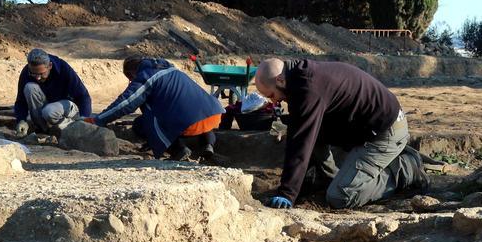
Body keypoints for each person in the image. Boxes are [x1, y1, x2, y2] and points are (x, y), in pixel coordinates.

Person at [254, 58, 427, 210]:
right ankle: (328, 179)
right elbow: (300, 130)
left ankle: (405, 169)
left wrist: (287, 193)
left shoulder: (308, 88)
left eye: (272, 95)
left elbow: (300, 143)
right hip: (364, 126)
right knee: (308, 131)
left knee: (340, 196)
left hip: (385, 132)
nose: (273, 101)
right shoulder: (298, 77)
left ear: (280, 80)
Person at [87, 57, 224, 161]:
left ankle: (179, 150)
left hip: (189, 123)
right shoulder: (171, 69)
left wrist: (98, 119)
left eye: (130, 79)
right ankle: (207, 146)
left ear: (131, 74)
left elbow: (126, 103)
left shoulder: (146, 76)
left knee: (142, 123)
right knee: (200, 116)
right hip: (213, 114)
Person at [14, 48, 92, 139]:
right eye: (33, 74)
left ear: (50, 66)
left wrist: (85, 120)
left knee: (49, 111)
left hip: (66, 108)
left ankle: (70, 127)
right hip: (46, 110)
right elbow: (21, 101)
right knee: (29, 88)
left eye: (41, 74)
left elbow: (83, 96)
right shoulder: (26, 72)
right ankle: (44, 130)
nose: (37, 78)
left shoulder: (63, 68)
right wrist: (21, 120)